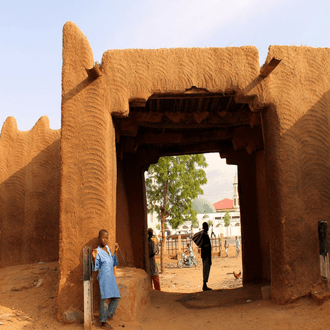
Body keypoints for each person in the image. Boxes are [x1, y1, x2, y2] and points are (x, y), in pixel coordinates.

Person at [92, 229, 120, 330]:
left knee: (116, 297)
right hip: (103, 277)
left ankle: (106, 316)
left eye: (107, 238)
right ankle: (103, 323)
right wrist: (94, 258)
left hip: (111, 277)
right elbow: (95, 268)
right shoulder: (98, 251)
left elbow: (112, 263)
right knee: (104, 299)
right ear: (99, 238)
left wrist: (115, 252)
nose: (105, 240)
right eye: (103, 237)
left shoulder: (107, 248)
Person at [201, 222, 212, 291]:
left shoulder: (203, 235)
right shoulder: (205, 235)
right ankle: (204, 285)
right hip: (206, 254)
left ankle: (205, 284)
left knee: (205, 269)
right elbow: (207, 247)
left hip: (204, 254)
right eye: (207, 226)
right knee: (206, 269)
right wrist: (209, 257)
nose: (208, 228)